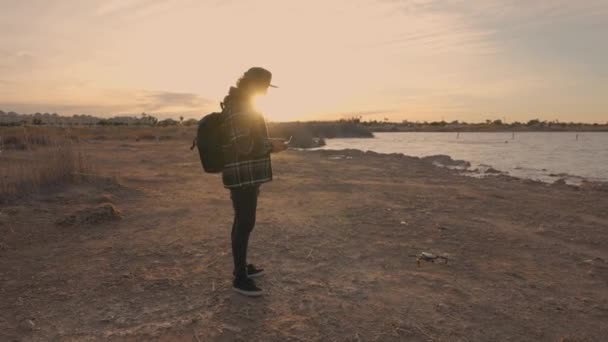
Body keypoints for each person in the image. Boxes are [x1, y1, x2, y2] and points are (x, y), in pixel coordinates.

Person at [221, 67, 288, 296]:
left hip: (245, 174)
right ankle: (240, 278)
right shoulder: (240, 106)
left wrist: (270, 142)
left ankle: (241, 268)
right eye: (264, 88)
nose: (266, 93)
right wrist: (271, 146)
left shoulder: (242, 103)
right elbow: (243, 145)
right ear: (253, 85)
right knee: (245, 222)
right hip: (243, 175)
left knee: (242, 221)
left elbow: (249, 139)